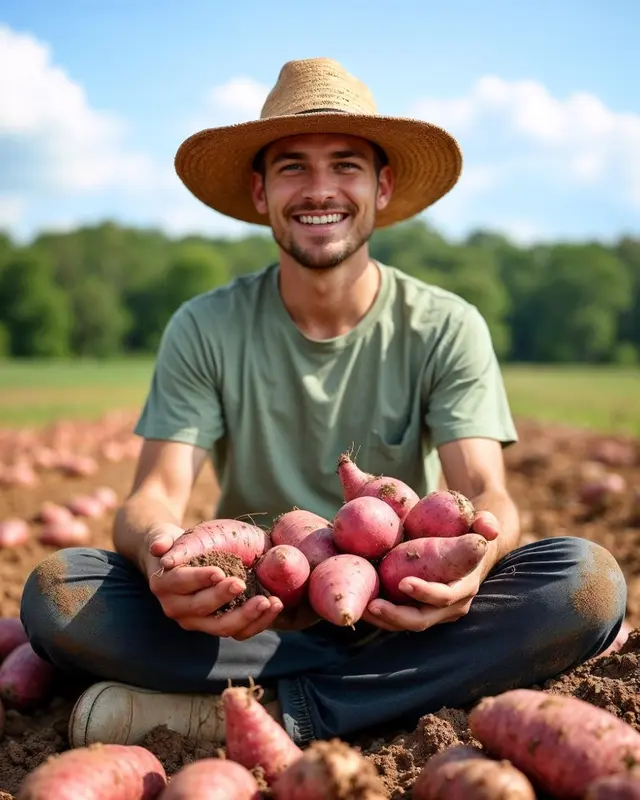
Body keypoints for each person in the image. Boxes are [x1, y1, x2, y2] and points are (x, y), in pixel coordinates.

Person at [20, 58, 626, 750]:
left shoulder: (445, 325)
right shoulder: (205, 326)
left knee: (585, 583)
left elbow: (486, 492)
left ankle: (273, 714)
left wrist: (474, 571)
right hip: (253, 620)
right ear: (259, 192)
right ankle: (376, 693)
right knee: (61, 594)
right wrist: (161, 556)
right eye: (291, 169)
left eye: (345, 165)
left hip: (404, 613)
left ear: (381, 186)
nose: (319, 191)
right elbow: (152, 494)